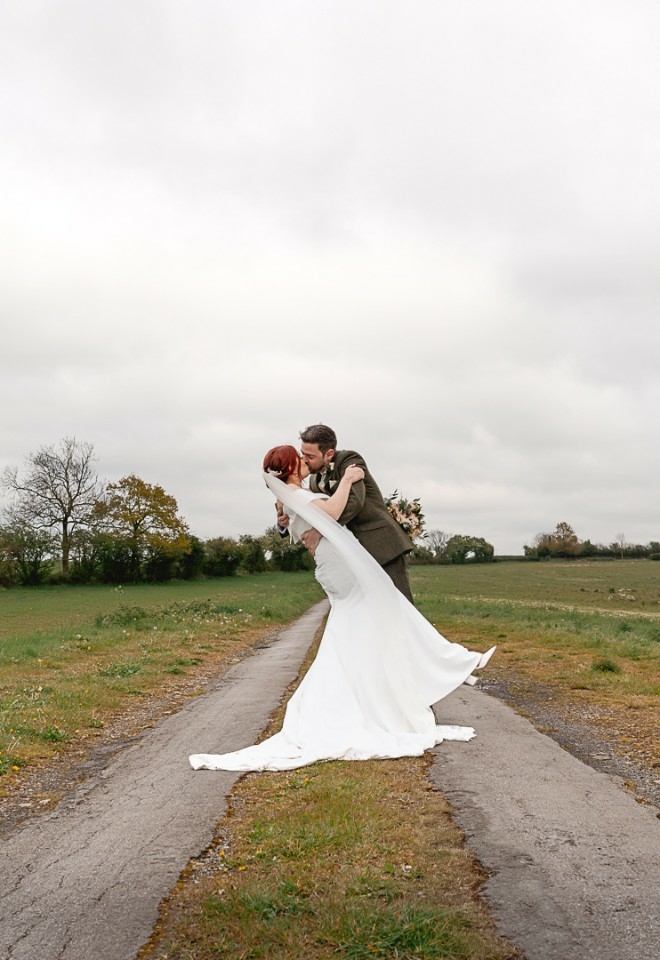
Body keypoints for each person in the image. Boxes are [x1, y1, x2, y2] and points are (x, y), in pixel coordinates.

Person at [189, 446, 495, 773]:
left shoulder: (293, 497)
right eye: (300, 457)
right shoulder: (297, 496)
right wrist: (348, 479)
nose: (305, 461)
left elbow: (302, 516)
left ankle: (429, 673)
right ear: (291, 466)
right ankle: (451, 664)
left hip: (335, 569)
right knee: (383, 610)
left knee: (360, 627)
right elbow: (332, 512)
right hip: (341, 571)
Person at [279, 424, 414, 603]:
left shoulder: (349, 460)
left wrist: (319, 532)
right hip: (354, 552)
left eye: (310, 456)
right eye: (303, 454)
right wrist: (284, 522)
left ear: (329, 454)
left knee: (400, 604)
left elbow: (354, 502)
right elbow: (312, 509)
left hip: (382, 544)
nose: (304, 460)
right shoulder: (314, 480)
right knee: (374, 609)